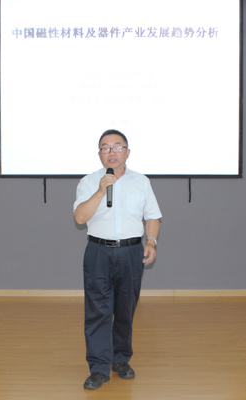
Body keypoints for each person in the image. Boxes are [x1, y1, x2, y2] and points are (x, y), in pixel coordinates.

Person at [73, 129, 162, 390]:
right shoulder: (89, 182)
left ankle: (120, 359)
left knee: (125, 308)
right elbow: (80, 217)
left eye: (117, 146)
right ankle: (99, 368)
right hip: (98, 252)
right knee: (98, 311)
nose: (111, 152)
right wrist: (101, 191)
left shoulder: (141, 182)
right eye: (105, 148)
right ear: (99, 154)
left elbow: (152, 216)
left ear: (127, 152)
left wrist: (151, 242)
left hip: (131, 252)